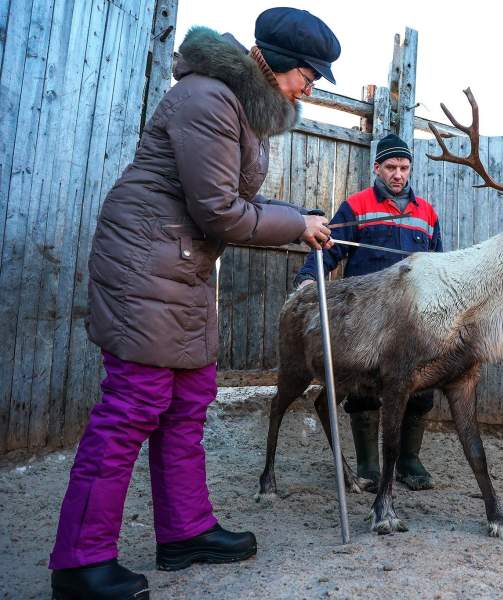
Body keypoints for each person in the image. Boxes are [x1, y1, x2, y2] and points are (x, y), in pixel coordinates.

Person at [48, 8, 339, 599]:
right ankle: (80, 562)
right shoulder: (208, 99)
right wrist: (295, 224)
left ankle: (185, 532)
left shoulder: (237, 105)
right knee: (133, 404)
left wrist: (294, 219)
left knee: (186, 401)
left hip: (180, 262)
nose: (309, 87)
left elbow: (221, 199)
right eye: (309, 75)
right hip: (146, 260)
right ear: (278, 62)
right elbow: (220, 211)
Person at [293, 133, 442, 492]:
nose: (398, 174)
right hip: (367, 319)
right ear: (377, 168)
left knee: (420, 387)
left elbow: (438, 264)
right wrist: (308, 280)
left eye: (404, 167)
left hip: (414, 319)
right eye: (391, 167)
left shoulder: (427, 213)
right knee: (362, 387)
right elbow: (327, 250)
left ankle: (409, 460)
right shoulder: (356, 206)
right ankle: (369, 465)